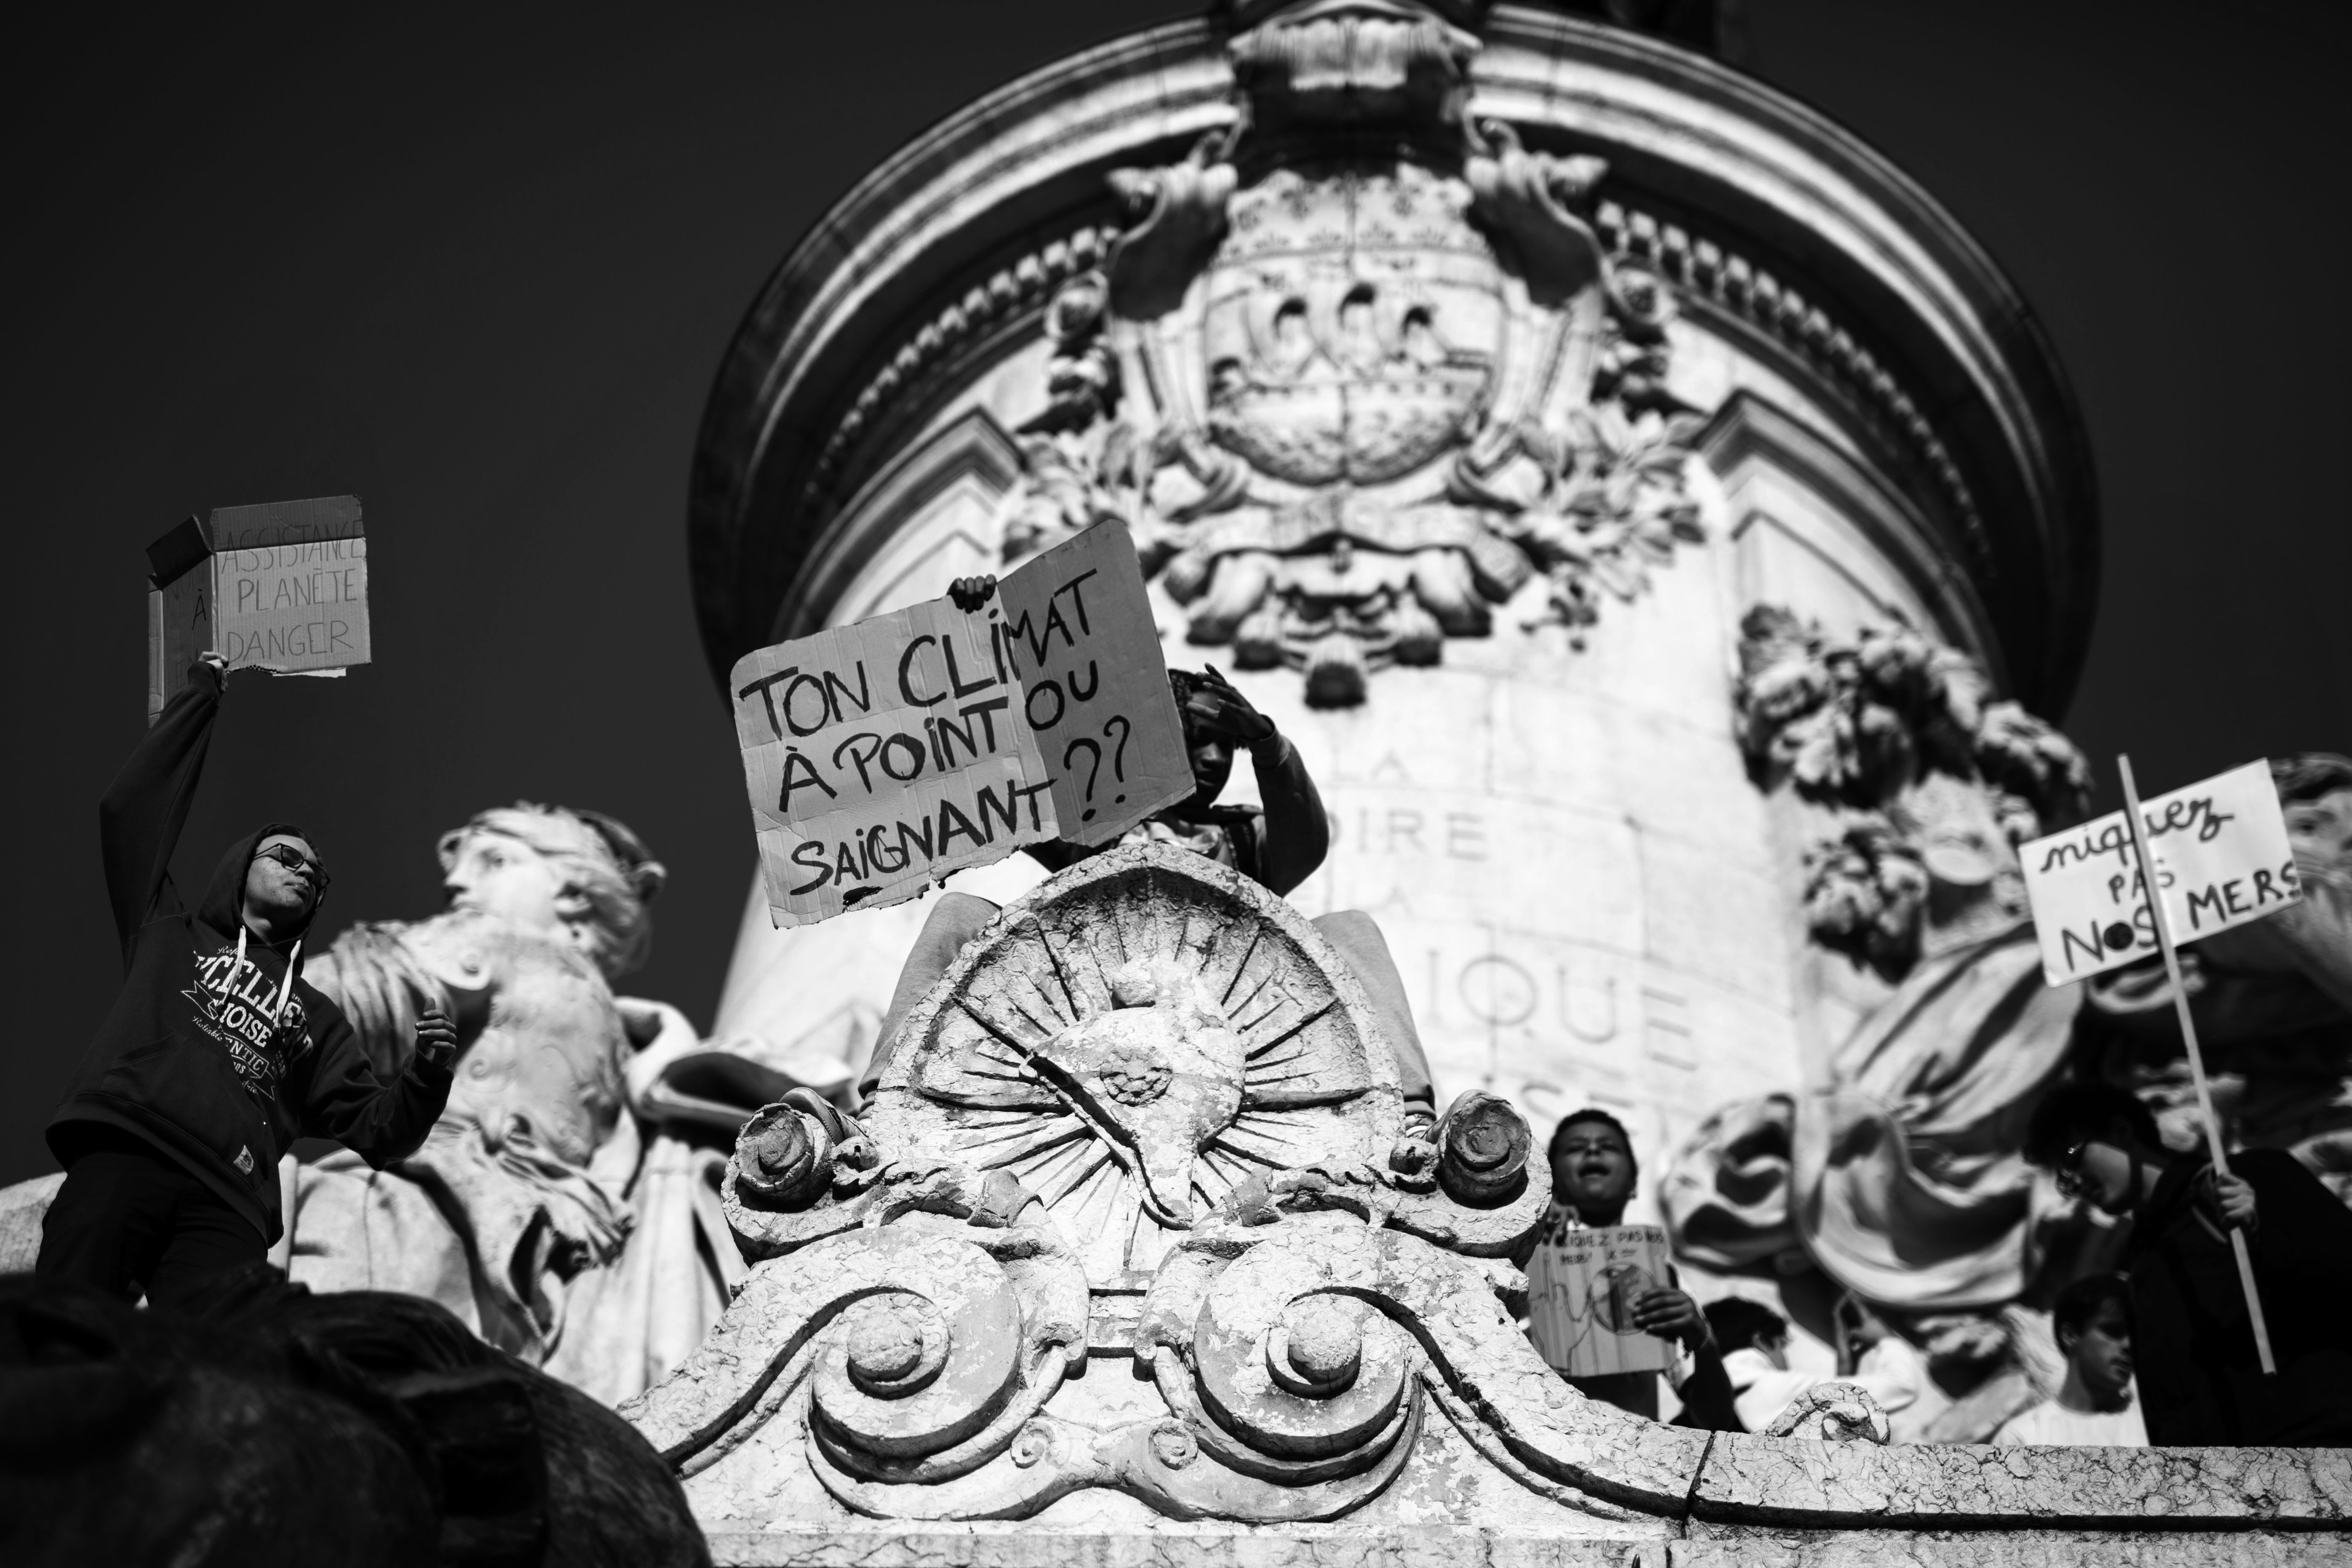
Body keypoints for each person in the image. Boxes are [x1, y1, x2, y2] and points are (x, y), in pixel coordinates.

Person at [860, 575, 1434, 1113]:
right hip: (1090, 986)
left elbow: (1305, 841)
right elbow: (989, 768)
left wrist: (1266, 744)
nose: (1214, 758)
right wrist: (975, 639)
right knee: (959, 914)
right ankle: (886, 1093)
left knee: (1350, 930)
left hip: (1220, 998)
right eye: (1199, 739)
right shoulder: (1093, 817)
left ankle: (1406, 1109)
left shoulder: (1242, 837)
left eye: (1226, 745)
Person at [37, 654, 457, 1317]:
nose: (304, 873)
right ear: (242, 866)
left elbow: (380, 1130)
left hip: (229, 1207)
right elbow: (129, 811)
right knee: (65, 1326)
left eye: (316, 876)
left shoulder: (318, 1017)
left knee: (225, 1366)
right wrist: (201, 698)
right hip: (128, 1148)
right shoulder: (166, 931)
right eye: (286, 856)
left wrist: (427, 1073)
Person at [2024, 1081, 2352, 1446]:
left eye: (2071, 1156)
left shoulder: (2249, 1176)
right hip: (2227, 1473)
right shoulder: (2141, 1266)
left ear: (2119, 1131)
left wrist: (2261, 1234)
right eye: (2063, 1181)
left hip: (2319, 1444)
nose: (2074, 1182)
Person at [1526, 1109, 1737, 1427]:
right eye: (1576, 1147)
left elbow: (1715, 1419)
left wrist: (1702, 1341)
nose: (1593, 1150)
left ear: (1633, 1184)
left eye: (1608, 1146)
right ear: (1551, 1181)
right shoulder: (1521, 1254)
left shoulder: (1660, 1274)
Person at [1702, 1287, 1923, 1434]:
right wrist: (1885, 1339)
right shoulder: (1771, 1387)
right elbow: (1901, 1385)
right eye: (1781, 1347)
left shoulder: (1709, 1397)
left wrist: (1845, 1371)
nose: (1786, 1362)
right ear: (1761, 1341)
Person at [1989, 1273, 2147, 1446]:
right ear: (2070, 1335)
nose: (2128, 1345)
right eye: (2114, 1331)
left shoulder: (2154, 1426)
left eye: (2135, 1335)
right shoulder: (2022, 1437)